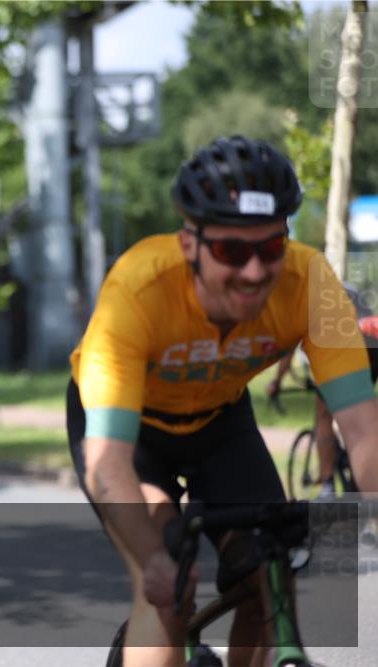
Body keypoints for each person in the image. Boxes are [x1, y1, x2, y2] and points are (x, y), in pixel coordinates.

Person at [66, 135, 378, 667]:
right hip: (132, 432)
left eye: (271, 248)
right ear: (191, 244)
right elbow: (107, 463)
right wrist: (151, 560)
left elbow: (364, 431)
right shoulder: (139, 291)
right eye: (233, 251)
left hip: (219, 421)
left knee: (267, 575)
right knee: (165, 583)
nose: (255, 271)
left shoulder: (310, 284)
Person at [267, 282, 378, 498]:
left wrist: (277, 382)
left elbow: (288, 351)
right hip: (372, 344)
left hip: (345, 346)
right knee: (364, 413)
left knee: (323, 415)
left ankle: (327, 485)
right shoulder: (349, 290)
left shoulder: (304, 301)